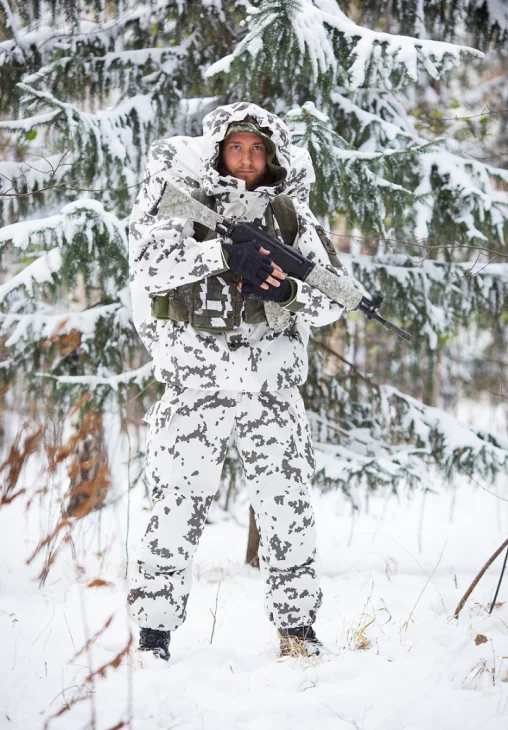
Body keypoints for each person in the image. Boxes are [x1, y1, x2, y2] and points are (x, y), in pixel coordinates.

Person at [127, 101, 352, 662]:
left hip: (272, 392)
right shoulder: (183, 202)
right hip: (195, 387)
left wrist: (289, 293)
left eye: (258, 149)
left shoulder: (289, 214)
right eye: (236, 147)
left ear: (271, 156)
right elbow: (150, 265)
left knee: (288, 510)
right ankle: (154, 636)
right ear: (218, 152)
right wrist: (223, 252)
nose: (247, 159)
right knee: (174, 507)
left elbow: (331, 297)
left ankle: (297, 630)